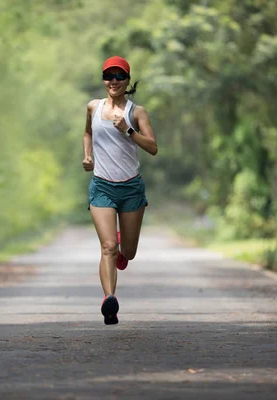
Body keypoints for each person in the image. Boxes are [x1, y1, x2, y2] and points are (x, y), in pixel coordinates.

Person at [82, 56, 158, 325]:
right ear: (103, 79)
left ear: (127, 81)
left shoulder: (137, 112)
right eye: (108, 76)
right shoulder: (93, 107)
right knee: (108, 247)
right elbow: (88, 133)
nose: (113, 81)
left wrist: (128, 131)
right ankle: (109, 301)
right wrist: (88, 156)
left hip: (131, 189)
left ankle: (122, 244)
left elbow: (152, 147)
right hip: (102, 186)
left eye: (119, 76)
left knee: (129, 251)